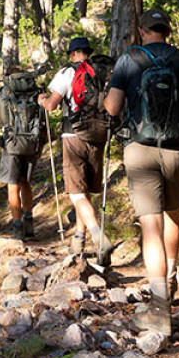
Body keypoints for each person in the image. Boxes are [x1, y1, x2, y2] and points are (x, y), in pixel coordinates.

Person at [103, 8, 179, 334]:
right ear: (167, 30)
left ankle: (159, 304)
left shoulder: (129, 59)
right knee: (173, 217)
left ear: (141, 31)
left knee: (150, 225)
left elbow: (112, 107)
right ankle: (170, 276)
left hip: (140, 149)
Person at [38, 37, 115, 263]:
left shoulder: (68, 72)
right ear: (88, 53)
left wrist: (42, 100)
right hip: (99, 136)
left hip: (73, 135)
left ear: (72, 54)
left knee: (75, 193)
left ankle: (97, 234)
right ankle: (79, 241)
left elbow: (52, 105)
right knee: (86, 190)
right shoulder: (102, 71)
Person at [0, 67, 46, 239]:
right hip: (31, 144)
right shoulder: (35, 93)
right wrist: (41, 146)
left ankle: (17, 227)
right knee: (25, 183)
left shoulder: (2, 95)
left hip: (11, 145)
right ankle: (29, 222)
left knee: (13, 185)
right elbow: (43, 120)